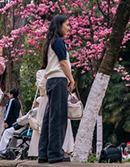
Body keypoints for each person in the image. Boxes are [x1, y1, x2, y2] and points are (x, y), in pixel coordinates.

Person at [38, 15, 75, 164]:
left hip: (52, 81)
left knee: (49, 118)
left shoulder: (50, 42)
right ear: (59, 25)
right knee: (58, 118)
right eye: (67, 25)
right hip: (59, 80)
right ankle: (55, 153)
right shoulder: (59, 42)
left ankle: (44, 153)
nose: (69, 28)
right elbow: (63, 63)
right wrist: (71, 79)